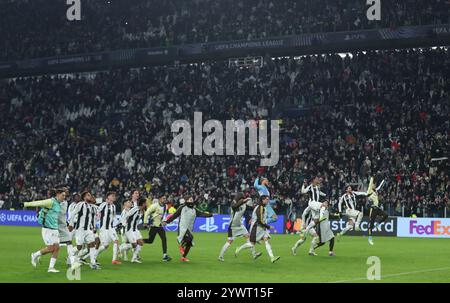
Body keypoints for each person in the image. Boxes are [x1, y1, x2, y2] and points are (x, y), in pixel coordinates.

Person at [21, 188, 66, 273]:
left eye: (65, 196)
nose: (64, 197)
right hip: (47, 229)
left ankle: (51, 268)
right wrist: (25, 204)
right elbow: (38, 203)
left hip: (55, 229)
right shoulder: (51, 202)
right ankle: (35, 255)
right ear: (58, 195)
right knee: (51, 248)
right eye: (63, 195)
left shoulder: (59, 204)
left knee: (56, 248)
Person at [163, 195, 213, 262]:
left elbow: (202, 214)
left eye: (192, 199)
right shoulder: (182, 207)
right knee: (190, 237)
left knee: (189, 243)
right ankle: (181, 244)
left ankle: (183, 257)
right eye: (189, 199)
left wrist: (210, 215)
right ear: (186, 200)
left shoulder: (194, 209)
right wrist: (167, 222)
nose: (191, 199)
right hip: (182, 227)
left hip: (189, 229)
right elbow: (175, 215)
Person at [219, 192, 262, 261]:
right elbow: (233, 206)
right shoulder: (235, 205)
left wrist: (258, 204)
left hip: (239, 225)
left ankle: (254, 254)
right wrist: (243, 201)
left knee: (248, 237)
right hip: (232, 226)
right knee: (229, 241)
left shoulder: (244, 205)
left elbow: (252, 208)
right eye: (242, 198)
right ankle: (220, 256)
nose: (243, 199)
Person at [68, 191, 100, 270]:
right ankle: (70, 256)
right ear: (84, 197)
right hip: (80, 229)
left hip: (88, 229)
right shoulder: (80, 204)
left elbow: (91, 219)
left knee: (92, 244)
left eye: (90, 195)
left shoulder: (91, 207)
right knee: (79, 247)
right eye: (88, 195)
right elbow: (72, 214)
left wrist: (93, 227)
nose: (90, 196)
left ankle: (93, 263)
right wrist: (71, 224)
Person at [248, 195, 280, 263]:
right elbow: (260, 220)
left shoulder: (263, 208)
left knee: (266, 240)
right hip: (257, 227)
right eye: (266, 199)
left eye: (268, 199)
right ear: (263, 200)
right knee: (252, 243)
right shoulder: (260, 207)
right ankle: (240, 248)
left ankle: (272, 257)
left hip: (262, 227)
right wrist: (268, 227)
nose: (268, 201)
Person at [143, 195, 172, 262]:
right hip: (153, 226)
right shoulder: (154, 206)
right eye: (163, 198)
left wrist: (164, 221)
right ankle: (137, 241)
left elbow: (164, 214)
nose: (164, 199)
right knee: (150, 241)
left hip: (160, 226)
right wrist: (145, 222)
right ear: (160, 199)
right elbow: (147, 213)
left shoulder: (165, 206)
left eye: (165, 198)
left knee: (164, 239)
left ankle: (165, 255)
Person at [96, 191, 121, 264]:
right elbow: (97, 212)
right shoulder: (103, 204)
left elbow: (113, 217)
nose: (114, 197)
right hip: (103, 228)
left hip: (110, 228)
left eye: (114, 196)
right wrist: (97, 218)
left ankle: (114, 260)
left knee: (116, 241)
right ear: (108, 197)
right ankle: (93, 256)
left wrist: (117, 224)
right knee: (105, 246)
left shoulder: (114, 206)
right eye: (112, 195)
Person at [120, 197, 146, 263]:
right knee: (134, 244)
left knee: (141, 242)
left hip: (135, 229)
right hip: (129, 229)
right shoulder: (135, 209)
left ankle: (134, 258)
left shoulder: (142, 211)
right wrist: (123, 224)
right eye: (145, 203)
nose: (146, 204)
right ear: (143, 204)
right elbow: (127, 215)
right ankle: (121, 248)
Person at [366, 177, 388, 245]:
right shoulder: (370, 191)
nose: (374, 185)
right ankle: (370, 238)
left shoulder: (376, 190)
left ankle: (378, 224)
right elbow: (370, 184)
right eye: (373, 184)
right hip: (373, 209)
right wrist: (372, 178)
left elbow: (380, 186)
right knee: (371, 225)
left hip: (377, 208)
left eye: (375, 185)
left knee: (386, 215)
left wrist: (384, 180)